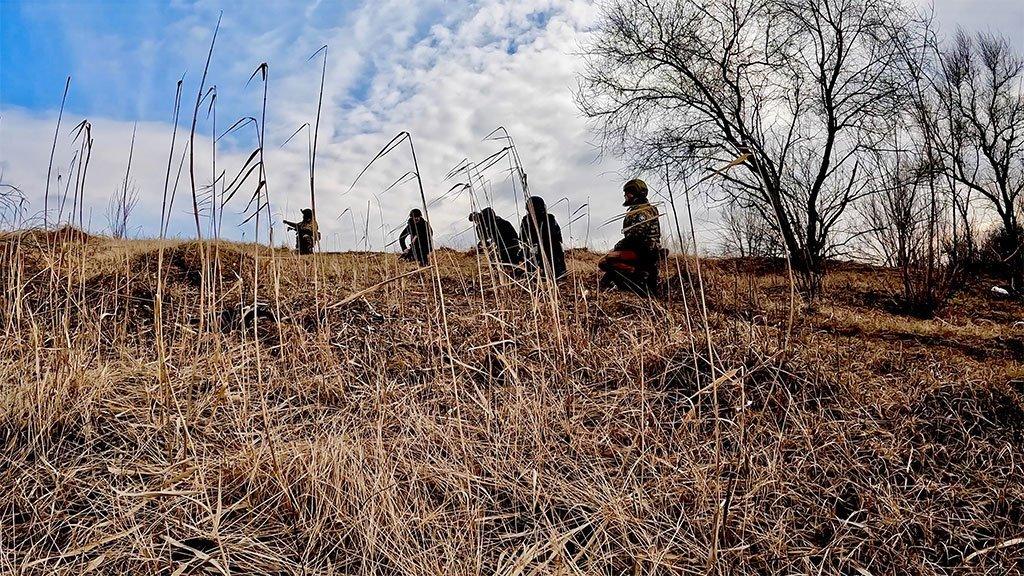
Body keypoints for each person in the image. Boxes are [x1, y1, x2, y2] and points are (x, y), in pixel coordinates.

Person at [599, 179, 663, 293]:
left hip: (643, 251)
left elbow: (637, 237)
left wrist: (619, 246)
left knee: (606, 260)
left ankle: (639, 273)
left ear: (635, 193)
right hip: (642, 250)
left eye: (628, 192)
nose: (625, 195)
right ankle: (626, 279)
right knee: (607, 262)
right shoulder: (644, 209)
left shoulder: (642, 211)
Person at [520, 196, 566, 280]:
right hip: (543, 251)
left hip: (545, 251)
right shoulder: (528, 220)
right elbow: (558, 235)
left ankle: (554, 275)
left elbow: (522, 238)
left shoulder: (549, 218)